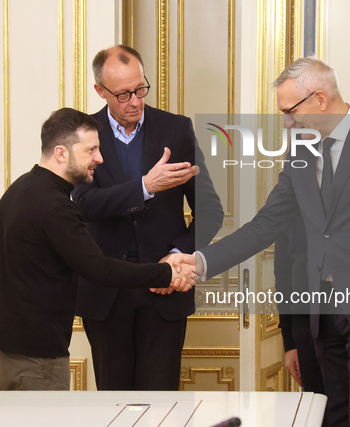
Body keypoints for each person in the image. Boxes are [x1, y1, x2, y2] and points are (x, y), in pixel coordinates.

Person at [195, 57, 350, 427]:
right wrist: (201, 261)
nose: (287, 122)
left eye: (290, 111)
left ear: (320, 99)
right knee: (332, 419)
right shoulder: (301, 151)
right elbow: (266, 224)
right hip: (321, 314)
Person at [0, 108, 195, 391]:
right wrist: (166, 274)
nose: (99, 158)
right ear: (61, 153)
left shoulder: (20, 189)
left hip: (10, 345)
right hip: (36, 352)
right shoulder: (55, 206)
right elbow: (98, 268)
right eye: (91, 150)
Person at [72, 45, 223, 391]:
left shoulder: (176, 129)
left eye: (141, 89)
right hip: (106, 292)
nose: (135, 101)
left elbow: (210, 211)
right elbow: (83, 205)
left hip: (165, 289)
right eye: (123, 94)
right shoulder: (83, 134)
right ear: (101, 91)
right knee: (115, 401)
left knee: (161, 405)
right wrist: (143, 187)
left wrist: (179, 257)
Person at [275, 218, 326, 399]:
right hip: (306, 326)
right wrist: (289, 343)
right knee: (318, 411)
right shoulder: (292, 196)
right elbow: (283, 276)